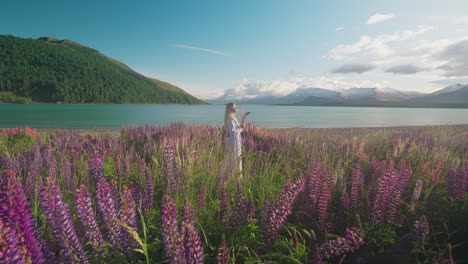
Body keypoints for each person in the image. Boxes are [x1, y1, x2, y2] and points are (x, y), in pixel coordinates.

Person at [224, 102, 250, 179]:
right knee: (234, 158)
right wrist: (241, 127)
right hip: (234, 141)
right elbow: (233, 131)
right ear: (230, 109)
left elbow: (236, 130)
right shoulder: (230, 119)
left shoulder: (232, 118)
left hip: (235, 140)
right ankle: (234, 177)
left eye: (236, 107)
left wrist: (241, 127)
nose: (236, 108)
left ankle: (236, 177)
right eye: (235, 107)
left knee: (236, 158)